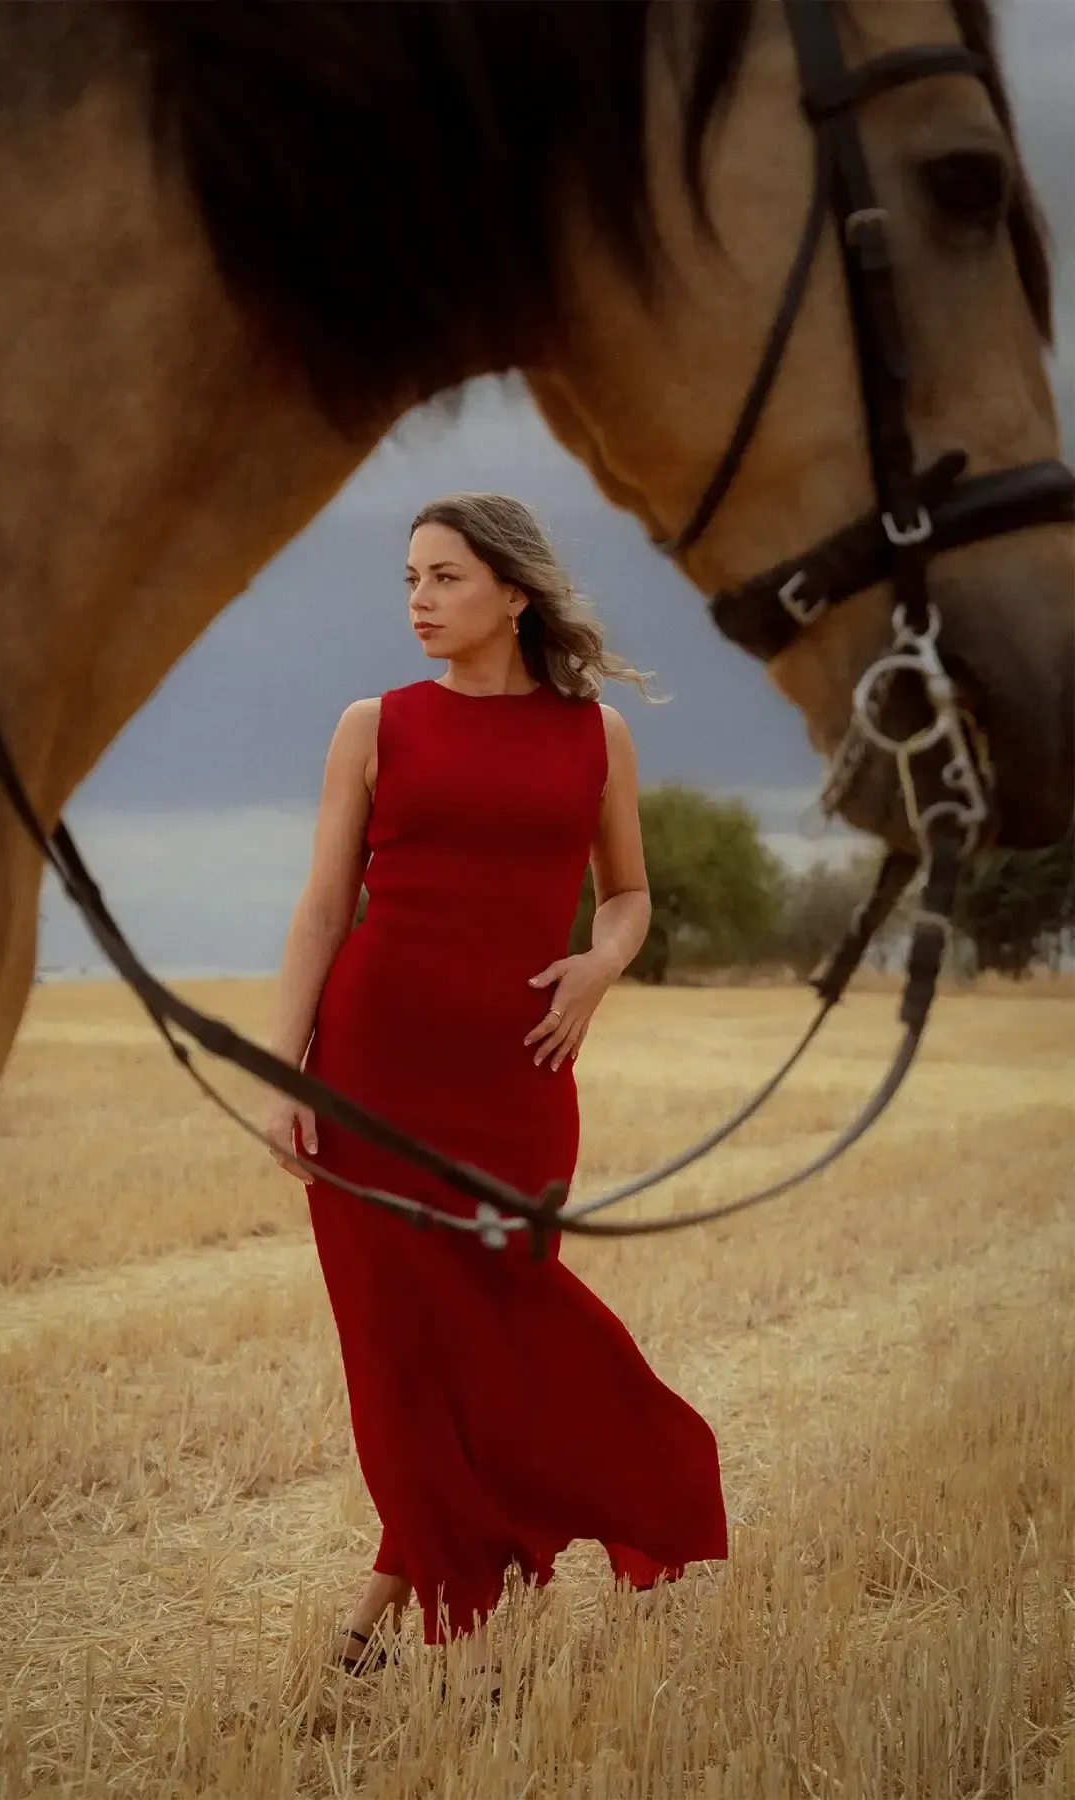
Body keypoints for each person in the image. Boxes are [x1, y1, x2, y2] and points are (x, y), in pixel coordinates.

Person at [263, 493, 726, 1675]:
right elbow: (323, 907)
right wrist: (287, 1075)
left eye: (445, 577)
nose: (417, 599)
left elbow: (627, 894)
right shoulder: (374, 726)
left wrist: (601, 965)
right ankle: (413, 1619)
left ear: (513, 594)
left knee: (505, 1330)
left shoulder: (595, 737)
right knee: (405, 1354)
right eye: (409, 578)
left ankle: (419, 1599)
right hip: (372, 1079)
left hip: (518, 1086)